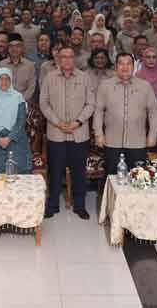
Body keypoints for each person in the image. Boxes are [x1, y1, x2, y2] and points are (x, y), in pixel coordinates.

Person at [40, 47, 93, 219]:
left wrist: (77, 122)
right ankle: (52, 205)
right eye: (64, 57)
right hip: (56, 133)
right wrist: (58, 122)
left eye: (71, 57)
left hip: (79, 134)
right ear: (58, 59)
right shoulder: (49, 78)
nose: (68, 60)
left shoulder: (85, 78)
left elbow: (90, 104)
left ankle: (80, 206)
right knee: (55, 172)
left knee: (79, 172)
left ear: (75, 59)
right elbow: (44, 104)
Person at [94, 52, 157, 176]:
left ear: (133, 66)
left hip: (137, 143)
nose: (125, 67)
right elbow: (98, 111)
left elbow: (154, 112)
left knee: (137, 178)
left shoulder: (145, 86)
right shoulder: (105, 86)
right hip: (112, 142)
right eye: (121, 64)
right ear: (115, 67)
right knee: (113, 179)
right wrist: (99, 134)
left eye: (128, 64)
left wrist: (152, 135)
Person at [0, 68, 32, 176]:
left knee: (17, 176)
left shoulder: (18, 97)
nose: (4, 82)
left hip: (15, 141)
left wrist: (9, 137)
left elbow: (21, 120)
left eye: (7, 79)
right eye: (1, 78)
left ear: (11, 81)